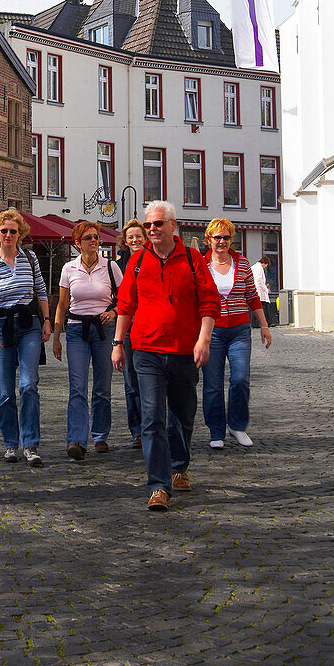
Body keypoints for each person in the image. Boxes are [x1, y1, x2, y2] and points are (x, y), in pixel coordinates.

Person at [112, 201, 220, 511]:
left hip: (185, 351)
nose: (152, 230)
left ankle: (180, 466)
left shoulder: (192, 258)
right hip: (146, 350)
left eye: (158, 224)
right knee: (152, 418)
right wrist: (118, 343)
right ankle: (159, 486)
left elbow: (210, 302)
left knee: (183, 414)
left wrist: (204, 340)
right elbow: (126, 305)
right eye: (148, 225)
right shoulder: (137, 261)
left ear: (173, 225)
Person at [0, 208, 50, 467]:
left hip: (29, 323)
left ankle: (31, 444)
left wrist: (46, 321)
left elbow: (41, 291)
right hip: (1, 325)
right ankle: (11, 444)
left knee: (29, 384)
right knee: (6, 392)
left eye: (13, 231)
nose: (8, 234)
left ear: (20, 234)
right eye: (4, 230)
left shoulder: (29, 258)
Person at [53, 221, 122, 459]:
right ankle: (76, 441)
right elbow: (62, 305)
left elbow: (124, 301)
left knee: (102, 387)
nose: (94, 241)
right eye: (88, 238)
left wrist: (113, 312)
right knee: (78, 387)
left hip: (104, 330)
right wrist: (56, 337)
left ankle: (100, 435)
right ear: (77, 243)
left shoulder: (111, 267)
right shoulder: (68, 269)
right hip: (76, 330)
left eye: (96, 237)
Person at [203, 221, 272, 449]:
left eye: (226, 237)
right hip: (211, 331)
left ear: (232, 240)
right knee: (213, 384)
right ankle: (216, 431)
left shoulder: (241, 264)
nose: (221, 242)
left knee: (240, 379)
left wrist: (264, 325)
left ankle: (237, 425)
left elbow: (252, 296)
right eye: (217, 238)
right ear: (209, 240)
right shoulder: (201, 265)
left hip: (240, 330)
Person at [115, 218, 147, 448]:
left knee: (153, 379)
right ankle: (137, 430)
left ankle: (153, 426)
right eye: (131, 237)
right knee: (131, 381)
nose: (135, 240)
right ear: (125, 242)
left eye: (138, 236)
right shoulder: (118, 265)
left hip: (149, 325)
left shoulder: (154, 259)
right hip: (127, 326)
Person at [251, 255, 276, 327]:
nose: (266, 267)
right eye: (266, 265)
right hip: (259, 291)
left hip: (255, 290)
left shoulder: (253, 267)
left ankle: (256, 323)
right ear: (264, 263)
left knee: (256, 308)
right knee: (263, 308)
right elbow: (259, 280)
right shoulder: (259, 268)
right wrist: (265, 289)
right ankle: (265, 323)